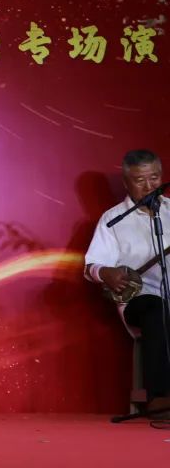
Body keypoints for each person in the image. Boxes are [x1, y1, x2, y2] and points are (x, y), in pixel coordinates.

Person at [84, 149, 170, 413]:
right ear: (125, 182)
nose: (149, 186)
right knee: (156, 308)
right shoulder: (113, 219)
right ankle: (159, 397)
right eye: (140, 180)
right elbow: (91, 266)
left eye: (154, 178)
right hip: (139, 299)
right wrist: (106, 273)